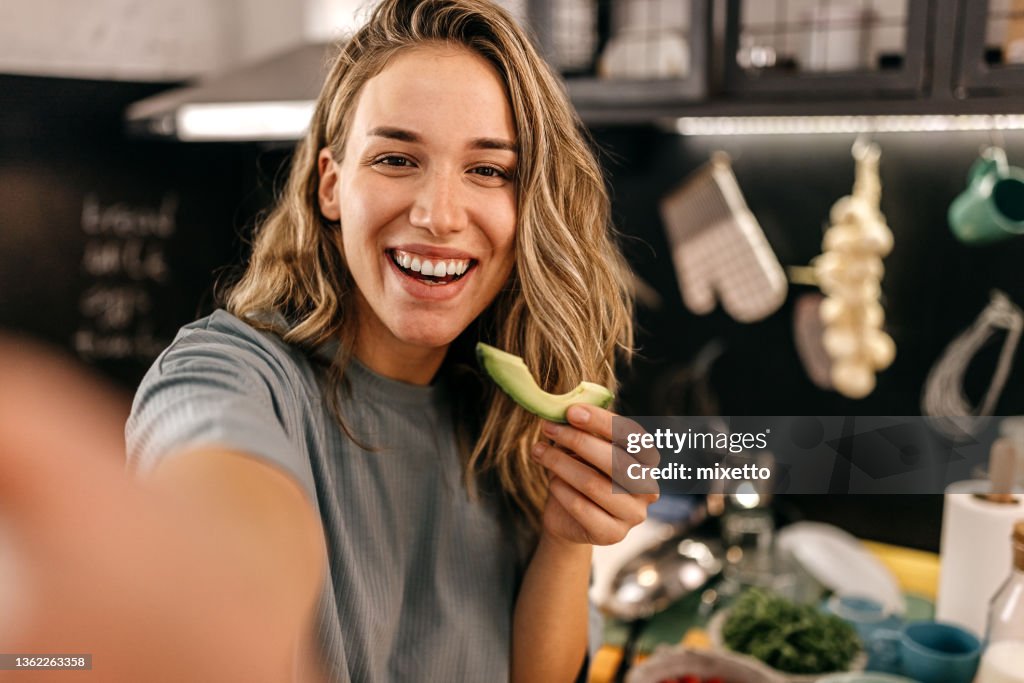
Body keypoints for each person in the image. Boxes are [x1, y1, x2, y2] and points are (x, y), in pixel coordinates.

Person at [3, 1, 656, 680]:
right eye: (397, 158)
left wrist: (567, 535)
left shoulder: (509, 410)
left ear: (529, 206)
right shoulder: (232, 372)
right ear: (331, 184)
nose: (438, 215)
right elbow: (228, 503)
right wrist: (208, 581)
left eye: (488, 170)